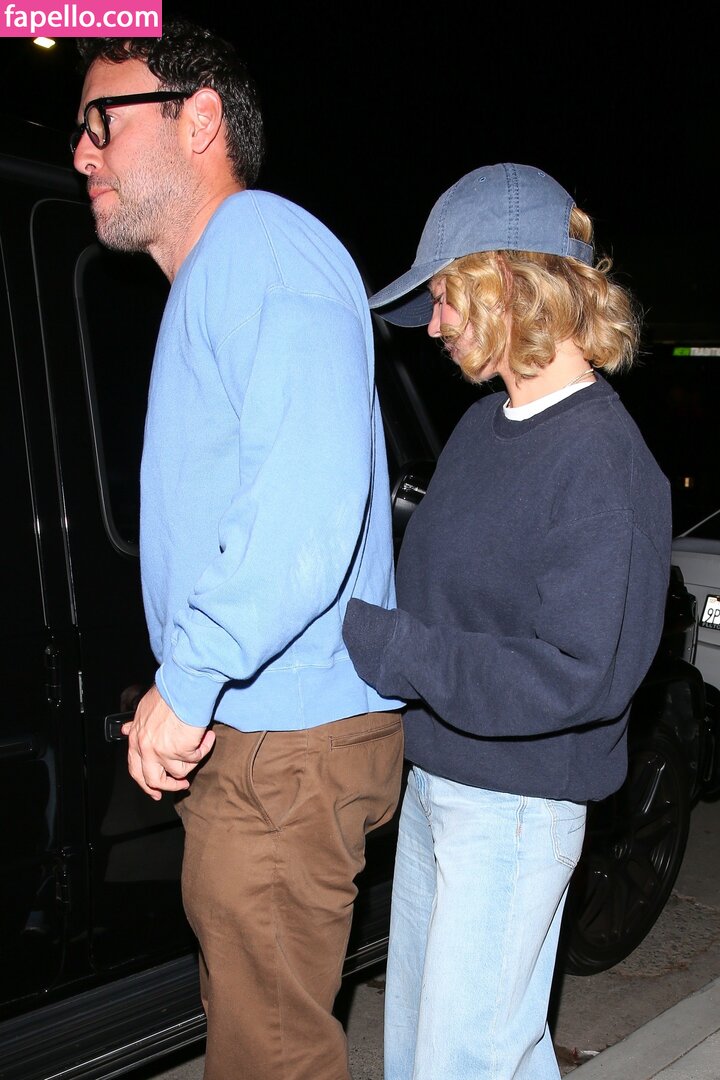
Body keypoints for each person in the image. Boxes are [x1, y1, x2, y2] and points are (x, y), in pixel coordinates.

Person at [72, 19, 403, 1080]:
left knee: (272, 1060)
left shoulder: (262, 243)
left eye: (102, 121)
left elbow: (308, 502)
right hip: (265, 737)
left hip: (285, 741)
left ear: (200, 118)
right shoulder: (221, 276)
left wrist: (193, 673)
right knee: (253, 1041)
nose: (81, 152)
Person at [342, 163, 672, 1080]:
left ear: (512, 285)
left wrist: (393, 649)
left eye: (446, 295)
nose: (434, 323)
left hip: (516, 810)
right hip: (439, 784)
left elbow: (577, 674)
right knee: (430, 1057)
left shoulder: (605, 460)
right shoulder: (481, 430)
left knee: (462, 1062)